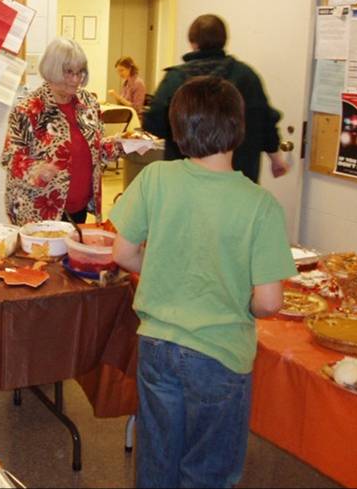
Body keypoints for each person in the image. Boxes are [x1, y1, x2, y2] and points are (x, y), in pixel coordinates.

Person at [110, 75, 295, 488]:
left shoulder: (155, 179)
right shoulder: (260, 205)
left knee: (156, 461)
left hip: (157, 344)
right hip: (220, 353)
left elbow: (122, 253)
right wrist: (241, 301)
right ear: (238, 128)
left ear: (177, 129)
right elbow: (269, 302)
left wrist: (162, 267)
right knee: (207, 471)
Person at [143, 13, 288, 183]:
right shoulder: (246, 76)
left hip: (186, 178)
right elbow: (264, 120)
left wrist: (183, 135)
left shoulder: (176, 79)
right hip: (238, 176)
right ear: (224, 40)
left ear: (193, 42)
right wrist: (276, 158)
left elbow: (153, 122)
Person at [1, 37, 120, 226]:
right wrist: (37, 170)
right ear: (53, 70)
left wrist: (120, 145)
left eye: (80, 72)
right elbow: (11, 158)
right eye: (69, 72)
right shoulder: (29, 109)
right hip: (39, 210)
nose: (76, 79)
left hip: (79, 208)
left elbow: (97, 150)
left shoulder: (88, 103)